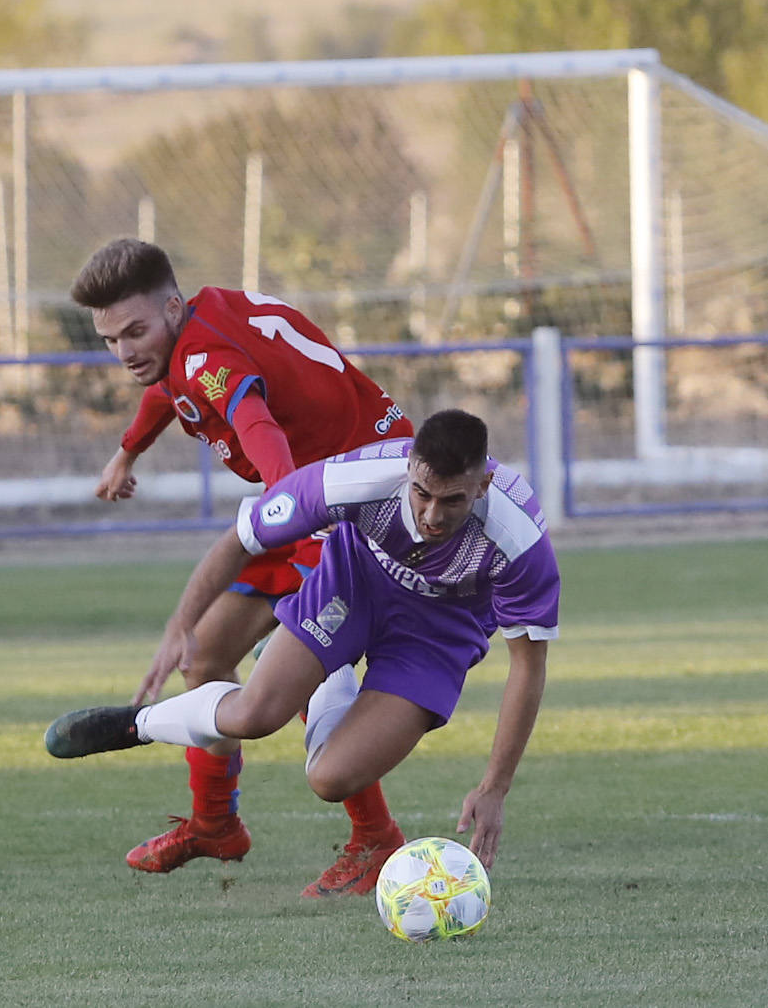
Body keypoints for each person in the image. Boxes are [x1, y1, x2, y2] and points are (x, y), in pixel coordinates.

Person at [47, 409, 560, 882]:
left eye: (453, 501)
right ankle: (135, 724)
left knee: (330, 779)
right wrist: (182, 623)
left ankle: (329, 673)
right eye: (422, 492)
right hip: (354, 584)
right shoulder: (354, 478)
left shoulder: (518, 538)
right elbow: (242, 539)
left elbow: (527, 668)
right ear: (409, 468)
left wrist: (494, 788)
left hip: (438, 635)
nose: (431, 515)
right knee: (252, 716)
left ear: (484, 485)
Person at [70, 237, 414, 893]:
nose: (124, 351)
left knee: (310, 668)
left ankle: (375, 839)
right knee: (205, 654)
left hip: (356, 502)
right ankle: (214, 824)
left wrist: (294, 510)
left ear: (171, 307)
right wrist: (126, 453)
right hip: (322, 487)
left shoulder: (202, 358)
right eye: (110, 339)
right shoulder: (201, 321)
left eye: (135, 331)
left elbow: (257, 428)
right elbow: (170, 389)